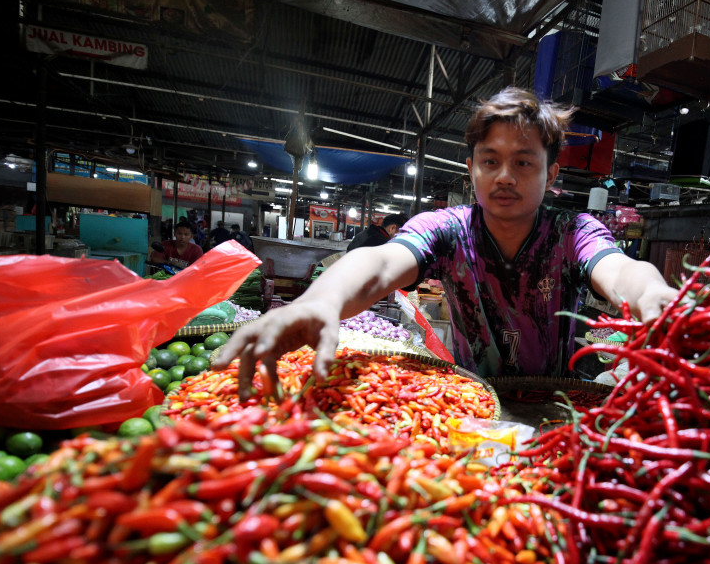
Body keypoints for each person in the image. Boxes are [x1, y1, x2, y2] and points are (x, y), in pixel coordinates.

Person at [215, 86, 677, 397]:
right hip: (470, 401)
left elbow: (617, 269)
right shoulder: (447, 229)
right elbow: (379, 263)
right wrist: (322, 301)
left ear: (552, 173)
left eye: (523, 163)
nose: (504, 177)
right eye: (489, 160)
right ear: (471, 168)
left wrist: (650, 292)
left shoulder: (571, 232)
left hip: (557, 404)